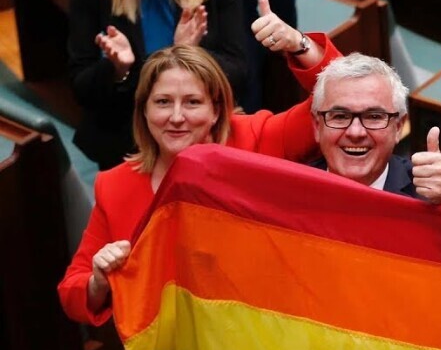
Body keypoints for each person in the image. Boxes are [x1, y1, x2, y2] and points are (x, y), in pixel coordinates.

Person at [58, 21, 341, 327]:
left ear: (216, 110)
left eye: (192, 102)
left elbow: (343, 100)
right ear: (144, 111)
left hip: (266, 333)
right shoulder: (116, 185)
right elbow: (72, 291)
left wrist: (300, 45)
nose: (176, 117)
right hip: (175, 345)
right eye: (163, 102)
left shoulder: (255, 140)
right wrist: (98, 281)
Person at [68, 0, 248, 169]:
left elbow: (237, 73)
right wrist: (117, 69)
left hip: (202, 144)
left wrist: (187, 53)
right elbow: (81, 87)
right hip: (122, 145)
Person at [310, 53, 441, 205]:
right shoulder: (296, 189)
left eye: (374, 117)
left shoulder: (436, 192)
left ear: (398, 127)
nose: (356, 132)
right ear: (317, 126)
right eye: (340, 116)